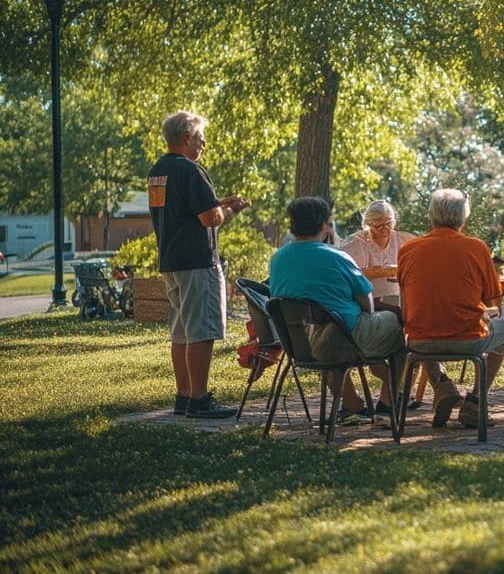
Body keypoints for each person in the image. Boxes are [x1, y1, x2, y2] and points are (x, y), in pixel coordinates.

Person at [269, 196, 410, 426]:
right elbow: (368, 305)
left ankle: (352, 406)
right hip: (345, 340)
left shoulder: (277, 260)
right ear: (325, 226)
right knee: (402, 329)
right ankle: (387, 402)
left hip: (300, 344)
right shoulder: (337, 257)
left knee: (326, 330)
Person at [148, 110, 251, 419]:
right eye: (200, 137)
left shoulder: (158, 171)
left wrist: (217, 203)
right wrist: (231, 211)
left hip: (171, 261)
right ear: (187, 137)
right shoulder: (191, 170)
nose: (203, 143)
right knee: (201, 332)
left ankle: (184, 396)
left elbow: (181, 210)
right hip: (197, 261)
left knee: (181, 333)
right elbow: (209, 219)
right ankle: (200, 399)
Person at [399, 189, 504, 428]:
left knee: (427, 317)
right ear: (464, 218)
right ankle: (475, 401)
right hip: (468, 339)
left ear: (431, 215)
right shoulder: (476, 247)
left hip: (418, 341)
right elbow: (494, 302)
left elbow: (407, 302)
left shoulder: (408, 249)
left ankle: (441, 384)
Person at [337, 199, 417, 300]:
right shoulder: (357, 243)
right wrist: (382, 272)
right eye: (378, 226)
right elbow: (349, 275)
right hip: (367, 301)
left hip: (398, 299)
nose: (385, 229)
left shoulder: (403, 239)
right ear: (369, 224)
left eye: (388, 223)